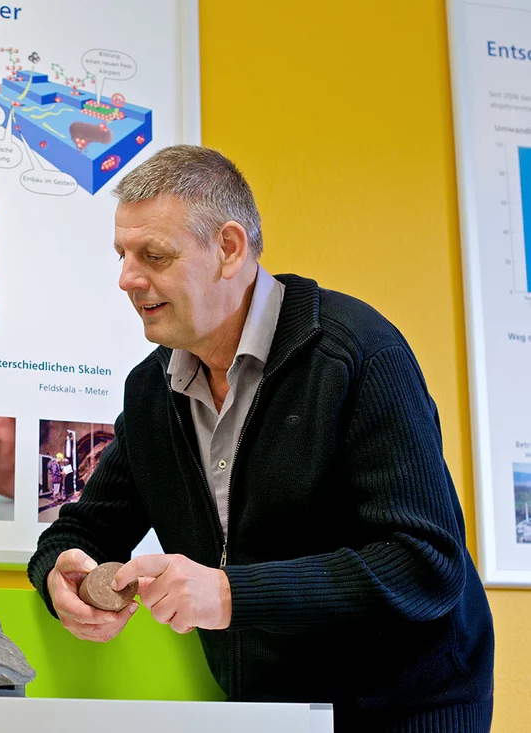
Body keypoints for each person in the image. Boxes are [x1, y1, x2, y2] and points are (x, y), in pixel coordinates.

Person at [28, 145, 494, 732]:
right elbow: (82, 530)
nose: (126, 278)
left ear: (229, 249)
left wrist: (229, 595)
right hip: (270, 714)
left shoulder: (357, 354)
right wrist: (59, 572)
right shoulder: (151, 392)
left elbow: (426, 563)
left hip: (406, 709)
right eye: (122, 254)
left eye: (154, 255)